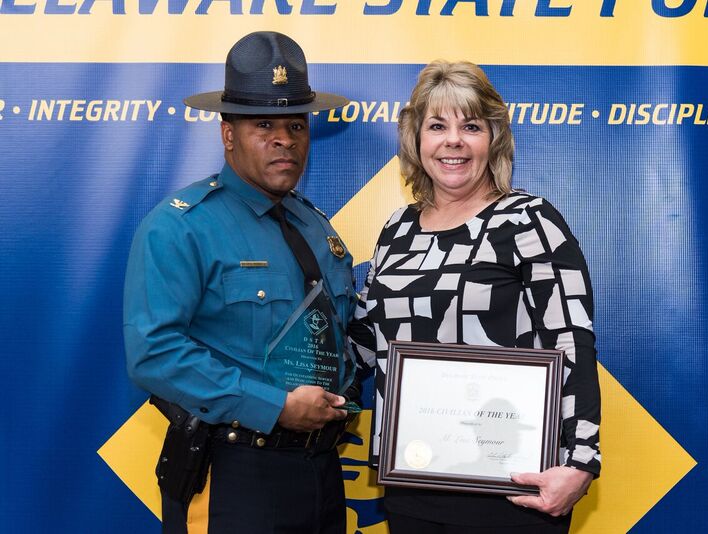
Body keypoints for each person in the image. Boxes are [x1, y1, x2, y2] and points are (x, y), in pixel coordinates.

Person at [123, 31, 362, 534]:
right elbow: (155, 353)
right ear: (227, 134)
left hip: (321, 471)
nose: (285, 139)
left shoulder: (315, 226)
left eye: (296, 125)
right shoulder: (181, 227)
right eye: (263, 125)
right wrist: (274, 407)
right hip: (233, 471)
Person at [349, 61, 601, 533]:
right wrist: (291, 383)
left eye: (470, 126)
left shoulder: (528, 220)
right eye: (437, 126)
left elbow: (571, 339)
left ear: (494, 138)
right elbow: (366, 338)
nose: (454, 141)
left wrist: (582, 459)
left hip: (511, 486)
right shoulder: (397, 230)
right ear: (415, 139)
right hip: (413, 480)